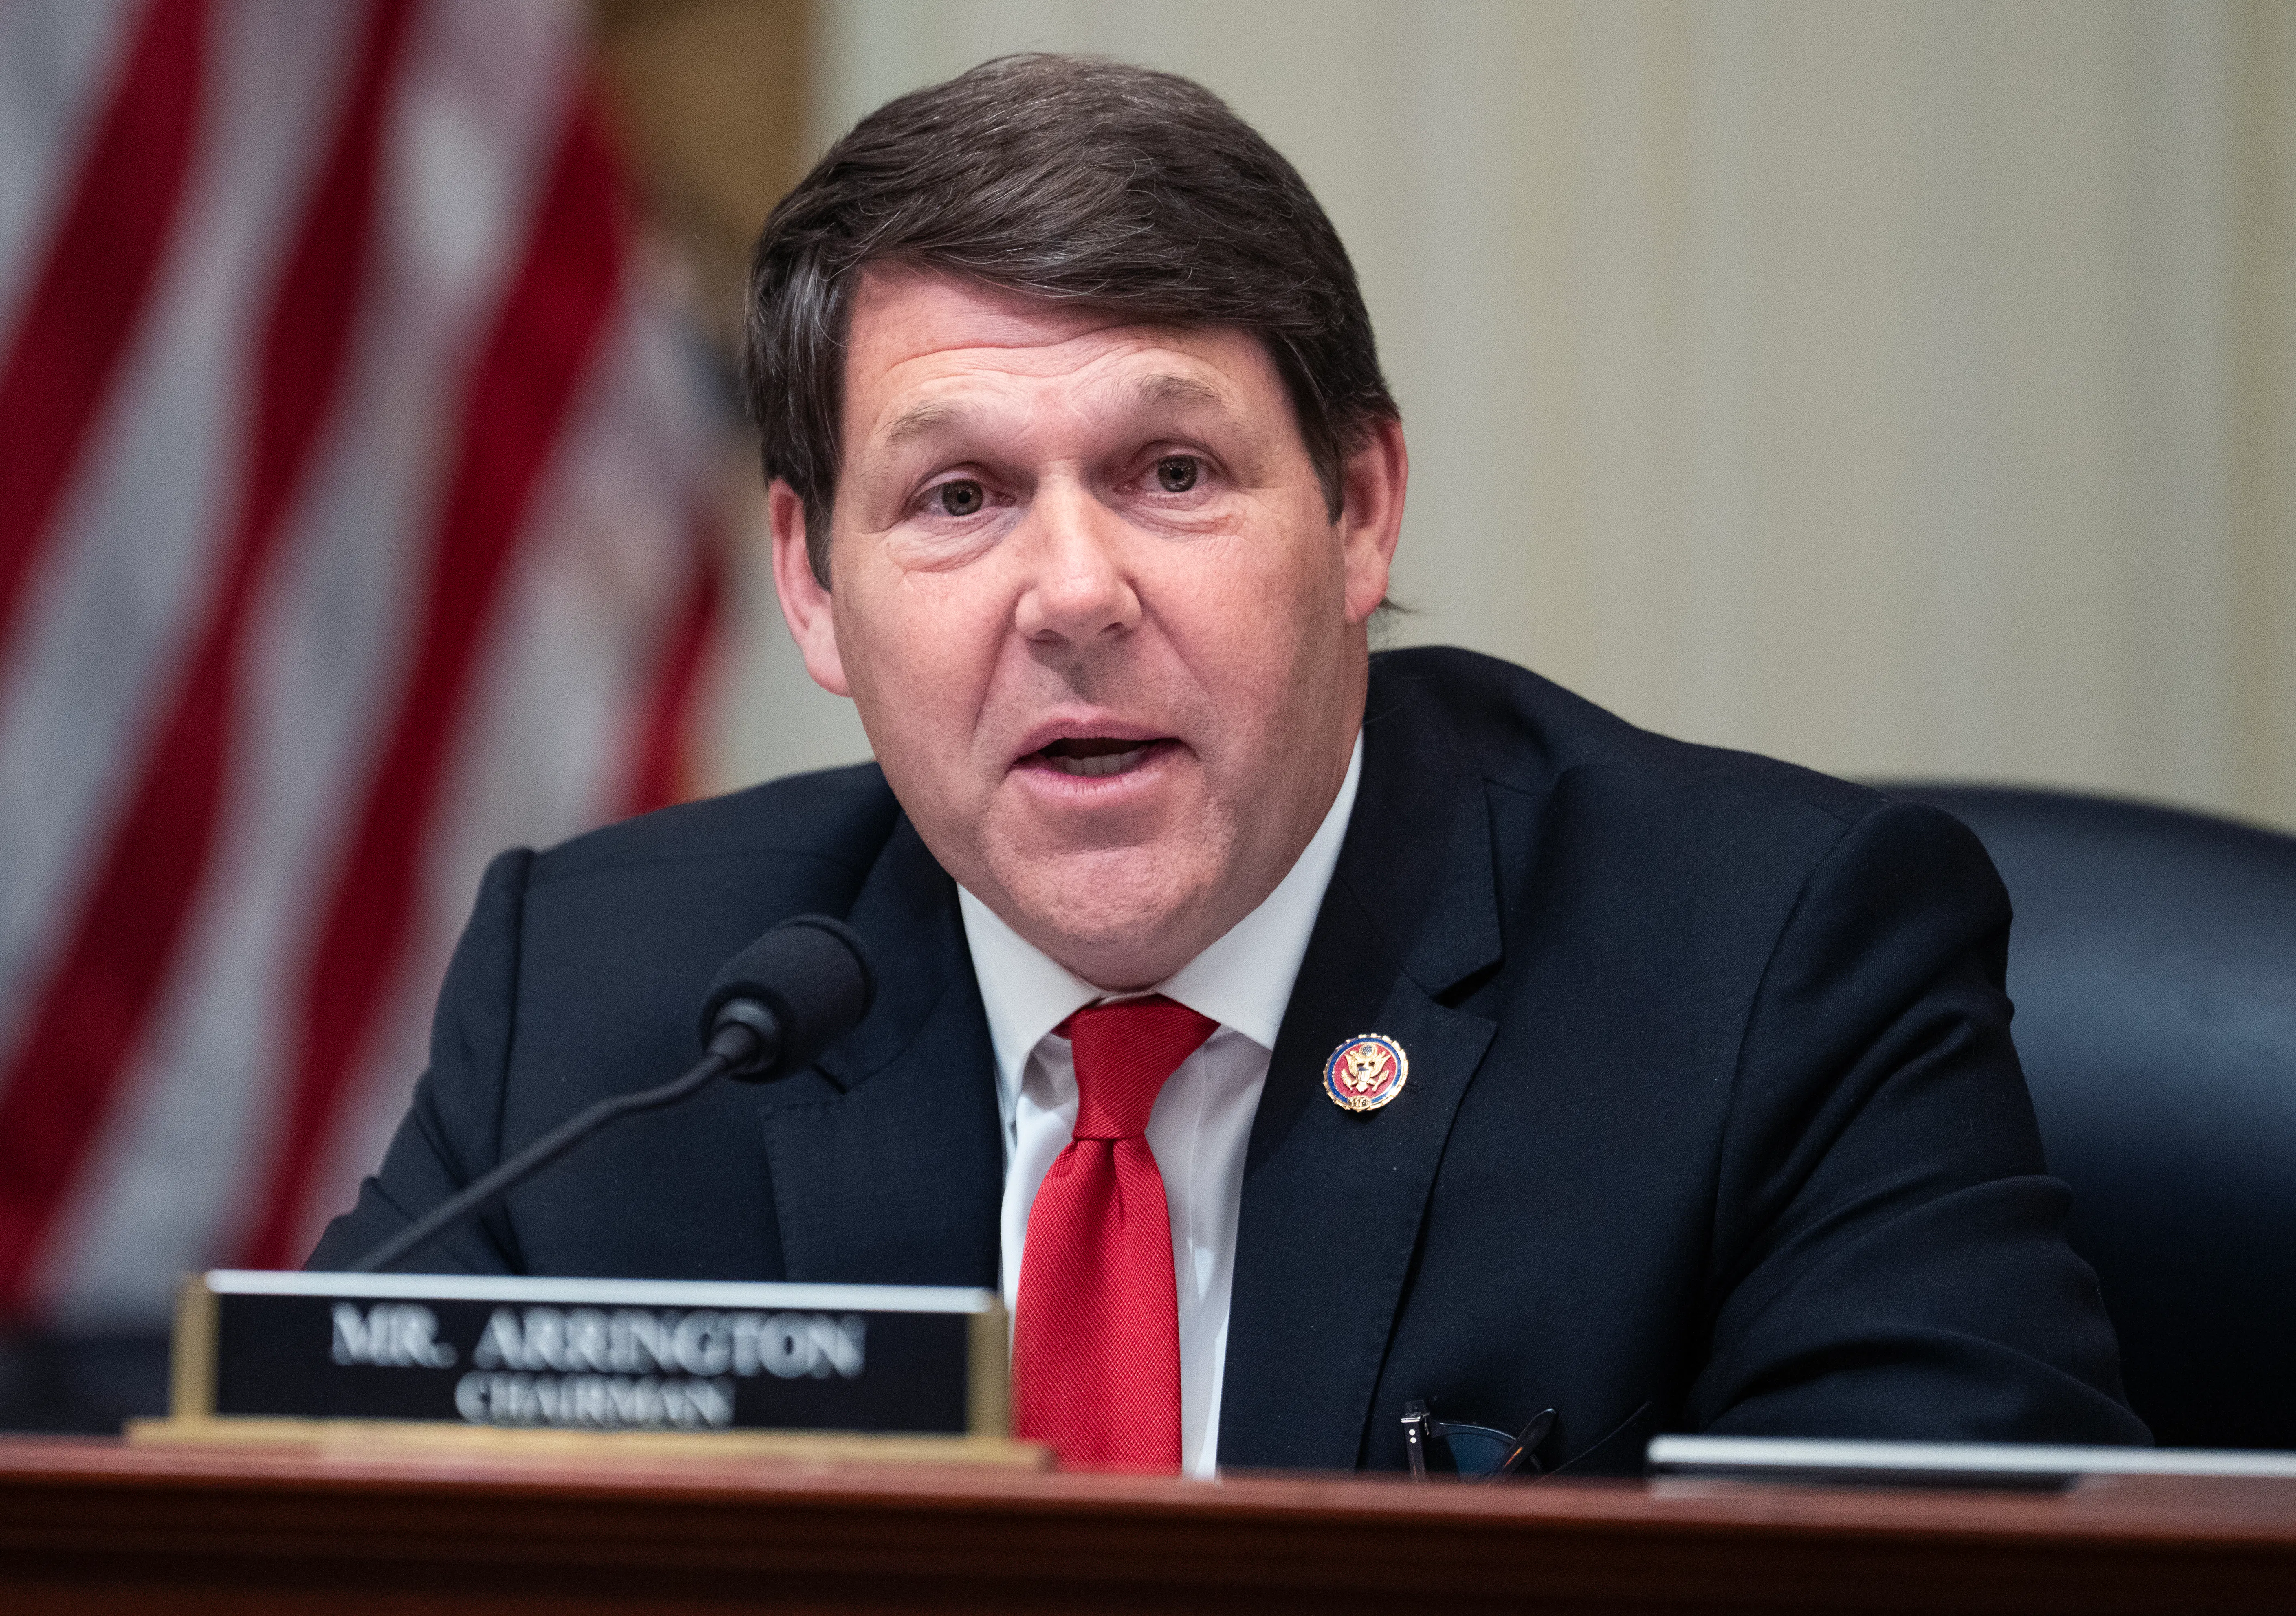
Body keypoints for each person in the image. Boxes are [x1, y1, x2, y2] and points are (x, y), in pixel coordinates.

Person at [310, 53, 2147, 1475]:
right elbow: (311, 1523)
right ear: (808, 582)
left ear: (1358, 509)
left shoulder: (1764, 970)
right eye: (958, 496)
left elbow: (1970, 1580)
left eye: (1170, 473)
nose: (1071, 593)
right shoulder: (608, 1003)